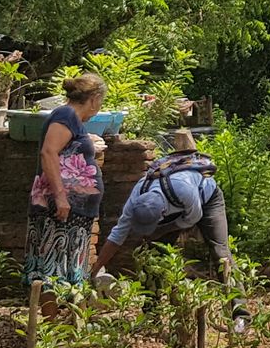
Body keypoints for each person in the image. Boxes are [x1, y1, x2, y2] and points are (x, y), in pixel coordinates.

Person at [91, 129, 248, 328]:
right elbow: (116, 236)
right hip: (175, 209)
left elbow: (194, 218)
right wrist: (95, 269)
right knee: (152, 258)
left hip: (206, 200)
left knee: (220, 252)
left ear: (163, 213)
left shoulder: (183, 189)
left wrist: (164, 230)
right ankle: (151, 315)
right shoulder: (137, 197)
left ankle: (240, 315)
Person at [27, 74, 107, 305]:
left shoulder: (71, 119)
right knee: (52, 266)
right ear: (94, 99)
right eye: (101, 100)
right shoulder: (66, 115)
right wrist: (61, 197)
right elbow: (49, 151)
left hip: (75, 212)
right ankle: (52, 329)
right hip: (61, 210)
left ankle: (66, 328)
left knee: (67, 267)